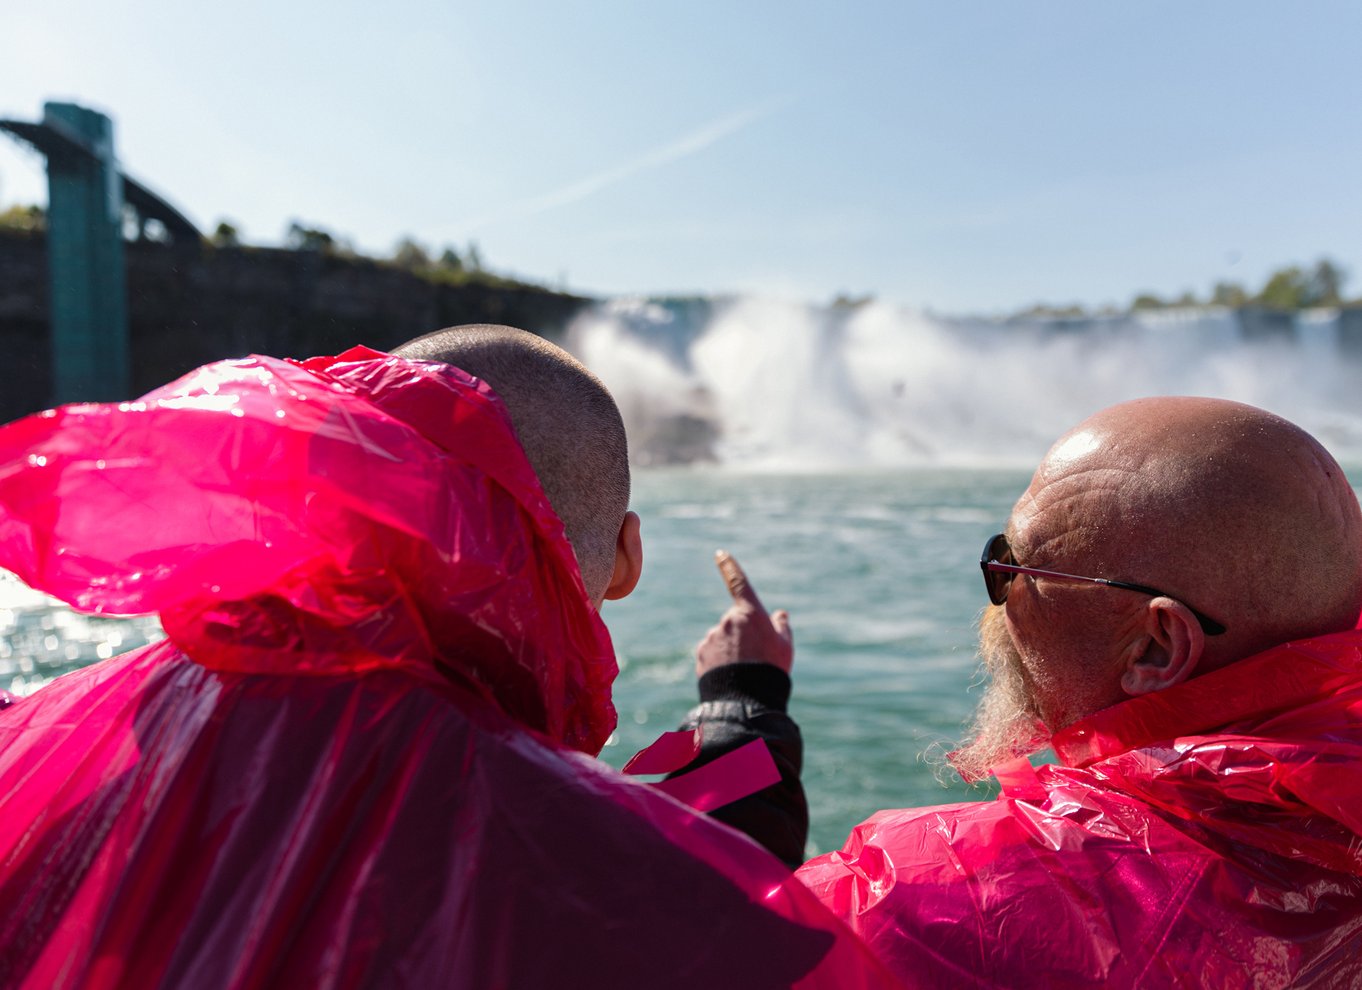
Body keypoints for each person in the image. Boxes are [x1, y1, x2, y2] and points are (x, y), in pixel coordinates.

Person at [0, 326, 894, 989]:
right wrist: (744, 697)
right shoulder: (620, 872)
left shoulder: (48, 734)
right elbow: (675, 895)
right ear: (626, 561)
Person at [700, 396, 1362, 988]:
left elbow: (701, 951)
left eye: (1015, 566)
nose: (998, 597)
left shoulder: (944, 907)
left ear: (1158, 645)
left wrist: (740, 705)